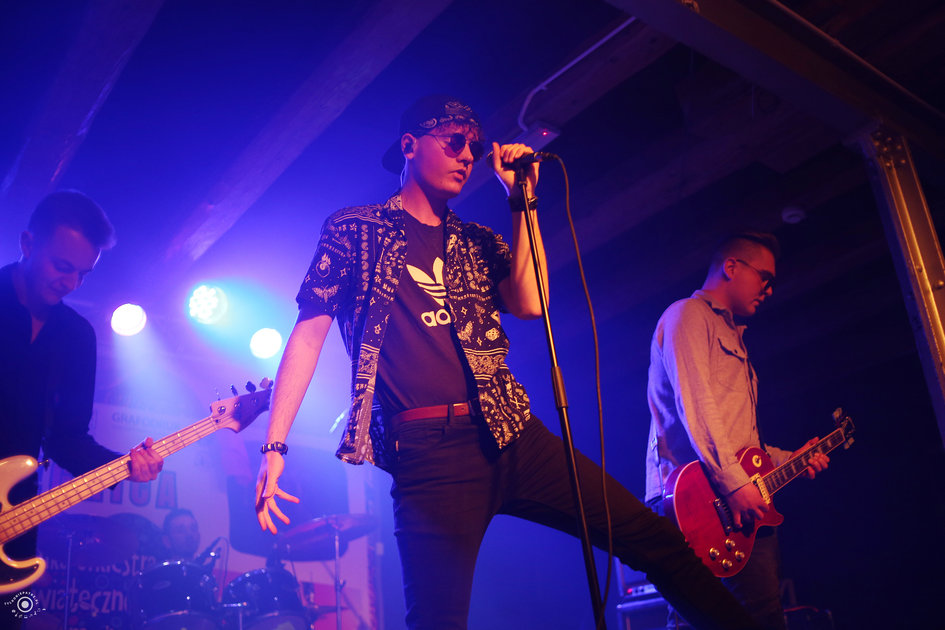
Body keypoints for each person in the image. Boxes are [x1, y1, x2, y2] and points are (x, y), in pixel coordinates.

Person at [255, 94, 760, 630]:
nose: (466, 155)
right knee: (437, 622)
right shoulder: (355, 230)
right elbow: (308, 335)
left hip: (511, 431)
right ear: (409, 145)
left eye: (474, 147)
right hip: (428, 455)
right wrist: (274, 446)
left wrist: (523, 200)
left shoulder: (476, 240)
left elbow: (530, 302)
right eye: (454, 142)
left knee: (653, 539)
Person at [644, 232, 830, 630]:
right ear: (731, 266)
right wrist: (734, 484)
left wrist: (792, 459)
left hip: (726, 497)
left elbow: (744, 444)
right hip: (695, 499)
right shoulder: (688, 316)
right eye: (765, 277)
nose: (769, 289)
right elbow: (696, 405)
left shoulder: (736, 341)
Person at [0, 190, 164, 569]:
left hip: (15, 517)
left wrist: (127, 466)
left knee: (16, 607)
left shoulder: (77, 337)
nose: (71, 283)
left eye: (83, 274)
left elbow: (67, 441)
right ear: (27, 244)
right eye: (62, 266)